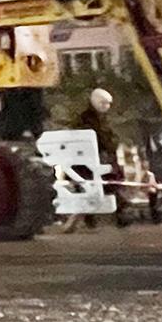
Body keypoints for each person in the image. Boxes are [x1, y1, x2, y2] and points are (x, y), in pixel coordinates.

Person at [69, 88, 124, 230]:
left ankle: (116, 214)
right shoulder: (89, 121)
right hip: (89, 163)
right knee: (108, 181)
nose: (107, 107)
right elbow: (100, 140)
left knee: (113, 183)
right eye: (104, 103)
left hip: (93, 162)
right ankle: (114, 214)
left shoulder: (96, 120)